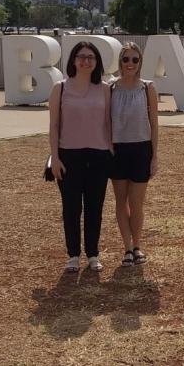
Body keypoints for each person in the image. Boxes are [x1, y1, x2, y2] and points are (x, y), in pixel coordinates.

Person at [48, 41, 112, 273]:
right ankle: (73, 255)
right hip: (69, 155)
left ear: (97, 62)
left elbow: (108, 123)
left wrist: (111, 150)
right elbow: (54, 125)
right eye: (81, 56)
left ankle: (93, 254)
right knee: (71, 208)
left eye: (91, 57)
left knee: (95, 207)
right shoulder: (60, 88)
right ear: (73, 60)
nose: (86, 61)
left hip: (98, 155)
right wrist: (55, 157)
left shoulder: (104, 89)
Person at [110, 42, 159, 267]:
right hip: (117, 149)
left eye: (135, 60)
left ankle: (138, 246)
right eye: (126, 59)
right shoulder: (110, 88)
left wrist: (154, 155)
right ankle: (127, 248)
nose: (130, 64)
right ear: (120, 61)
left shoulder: (147, 87)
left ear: (140, 63)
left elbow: (154, 124)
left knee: (136, 202)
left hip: (141, 149)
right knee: (121, 201)